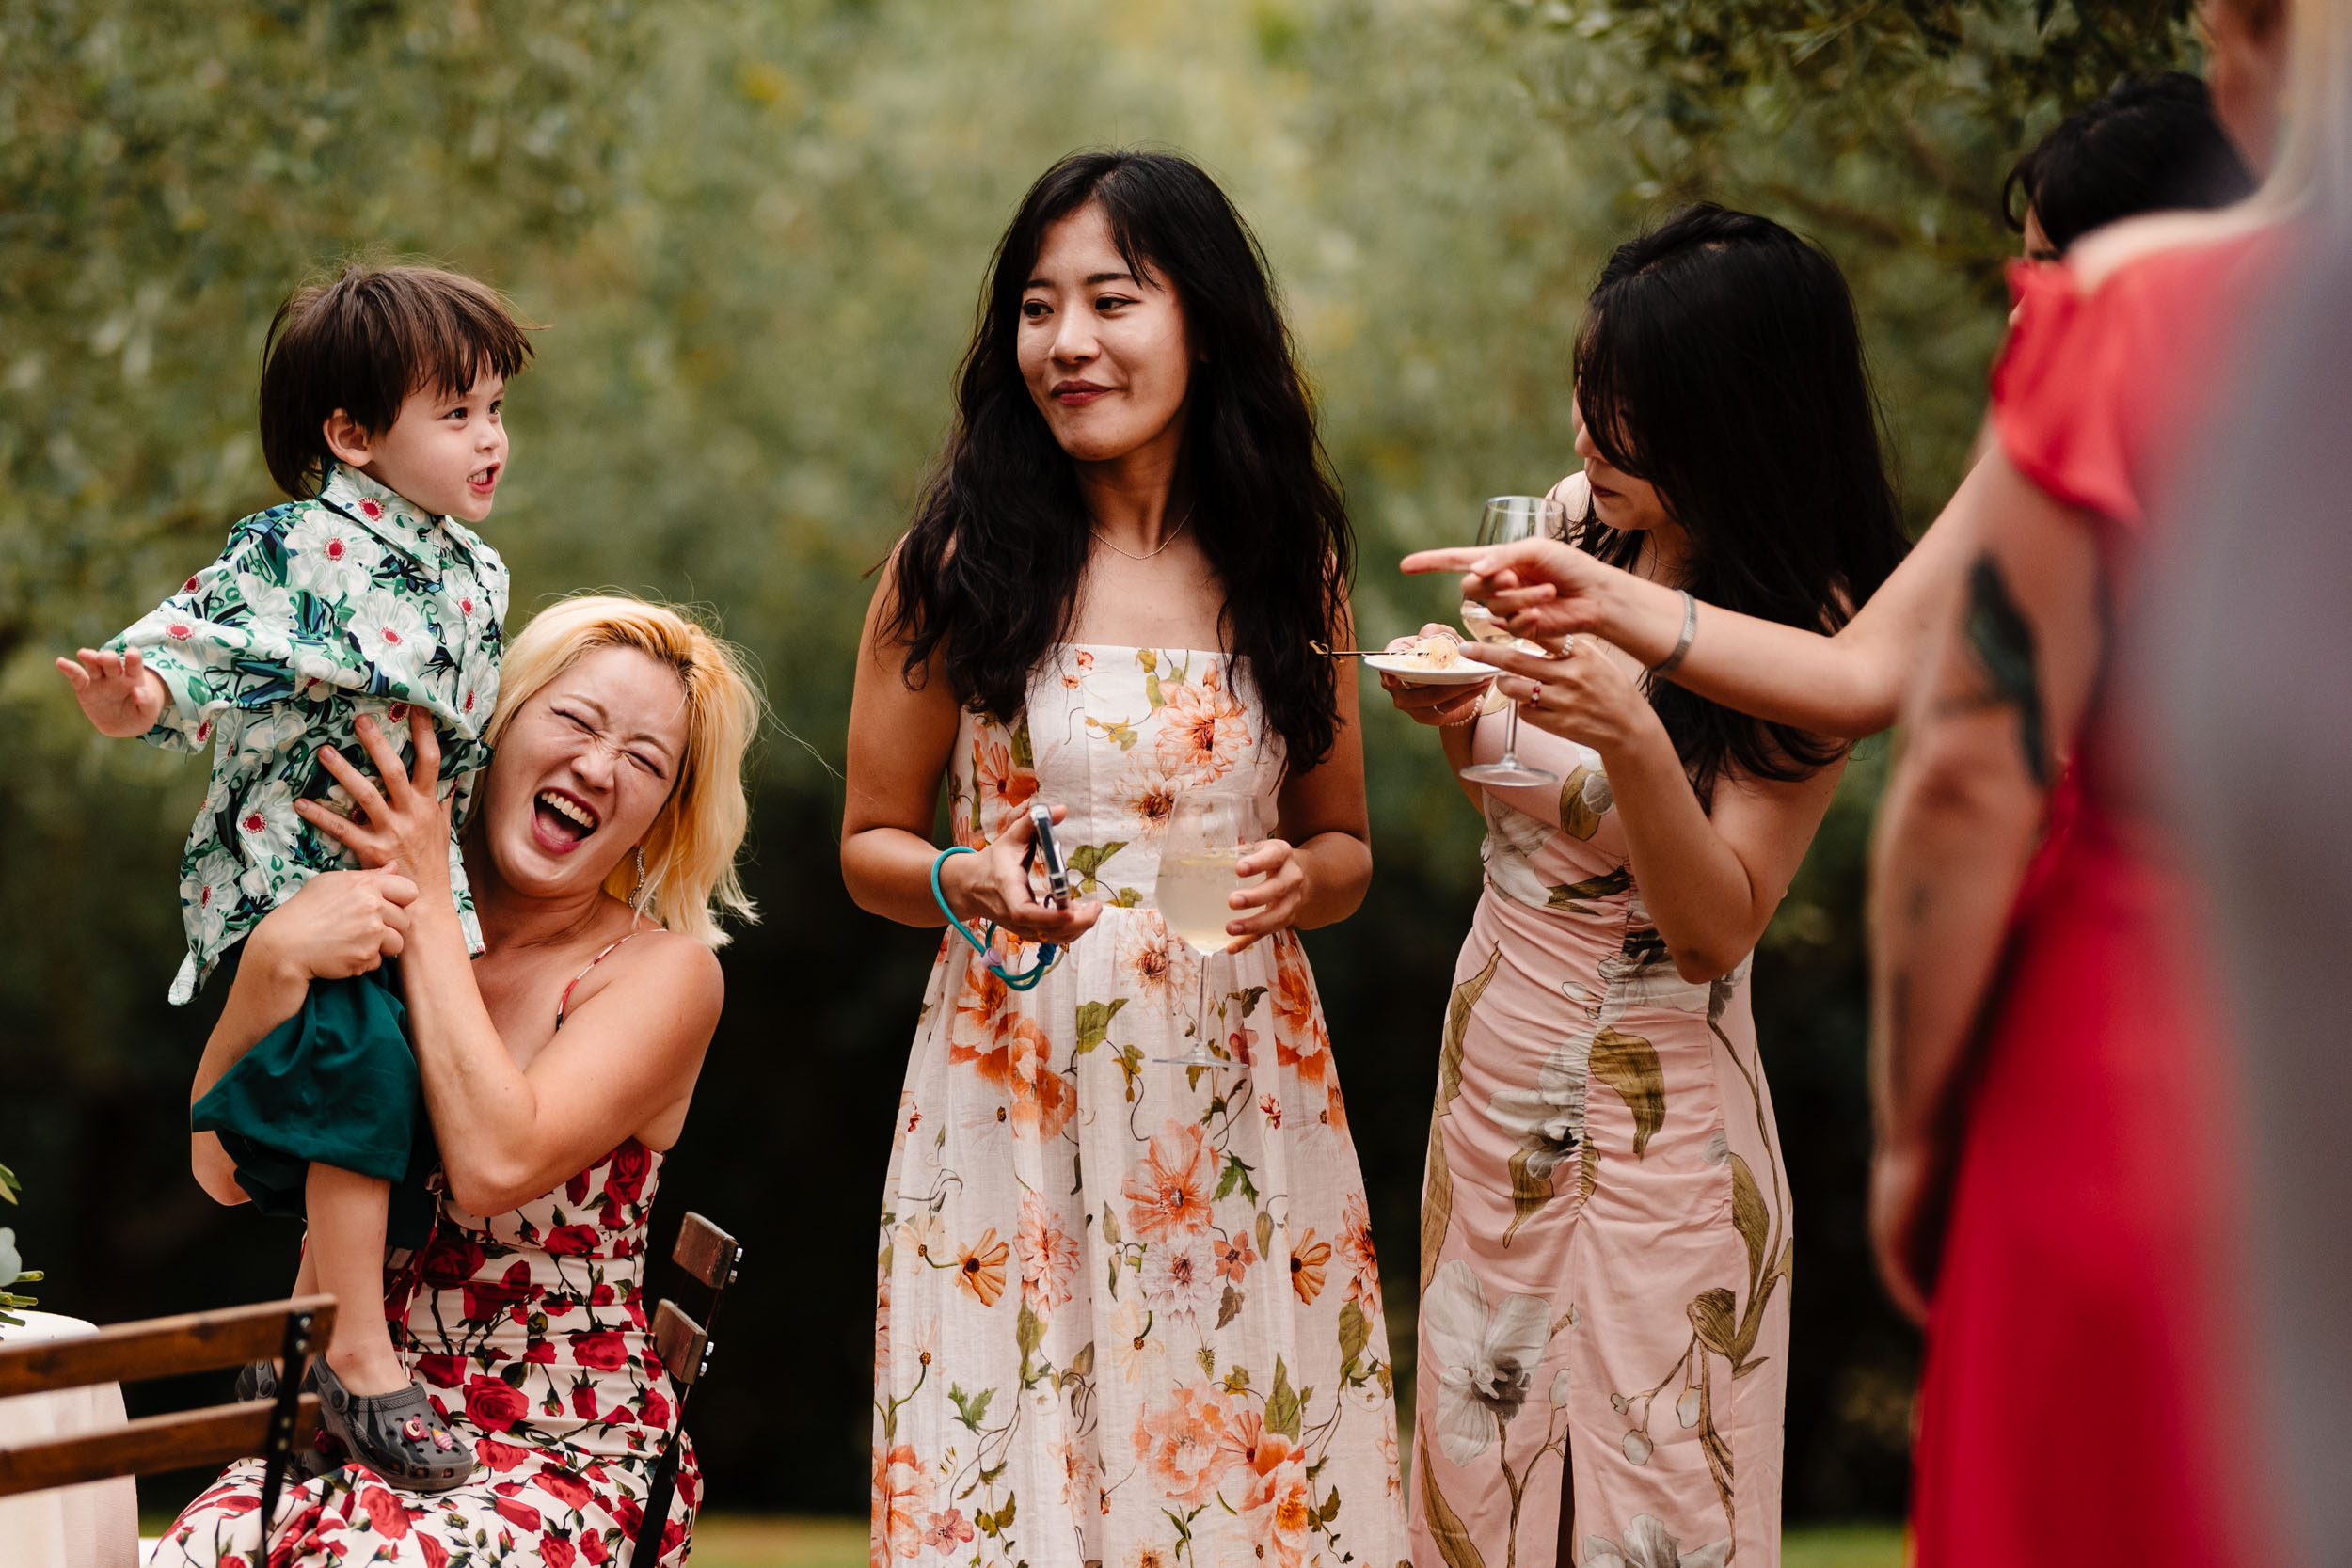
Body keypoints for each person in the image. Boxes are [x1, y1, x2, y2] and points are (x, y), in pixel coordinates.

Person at [842, 150, 1408, 1567]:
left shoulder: (1289, 561)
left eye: (1112, 298)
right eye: (1039, 309)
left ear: (1202, 320)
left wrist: (1301, 880)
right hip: (1014, 1080)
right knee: (1020, 1481)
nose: (1069, 343)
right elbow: (867, 841)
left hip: (1241, 1087)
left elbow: (1340, 847)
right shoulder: (959, 556)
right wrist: (951, 878)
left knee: (1238, 1475)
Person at [1864, 0, 2336, 1560]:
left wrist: (1917, 1124)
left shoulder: (2137, 311)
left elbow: (1966, 765)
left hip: (2147, 1074)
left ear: (2247, 35)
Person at [1381, 206, 1907, 1568]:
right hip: (1492, 1071)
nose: (1581, 445)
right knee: (1478, 1484)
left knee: (1650, 1502)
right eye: (1585, 396)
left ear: (1729, 416)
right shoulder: (1578, 531)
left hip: (1656, 1120)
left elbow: (1715, 921)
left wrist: (1626, 724)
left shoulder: (1814, 634)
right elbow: (1516, 781)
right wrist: (1462, 708)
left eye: (1623, 417)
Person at [153, 594, 760, 1567]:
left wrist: (431, 896)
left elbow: (492, 1160)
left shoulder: (664, 974)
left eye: (646, 761)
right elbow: (224, 1171)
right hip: (335, 1424)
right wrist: (271, 963)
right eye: (574, 719)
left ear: (664, 812)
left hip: (561, 1442)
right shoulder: (366, 921)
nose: (599, 767)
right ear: (492, 722)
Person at [54, 262, 531, 1487]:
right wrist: (134, 696)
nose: (490, 438)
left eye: (494, 408)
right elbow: (190, 646)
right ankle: (361, 1351)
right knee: (357, 1074)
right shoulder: (297, 547)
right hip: (296, 876)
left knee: (392, 1095)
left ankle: (296, 1344)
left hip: (407, 882)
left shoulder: (475, 569)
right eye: (457, 412)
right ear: (352, 434)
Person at [1402, 70, 2256, 742]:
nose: (2026, 308)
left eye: (2056, 267)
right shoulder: (2033, 456)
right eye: (2024, 266)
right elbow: (1860, 680)